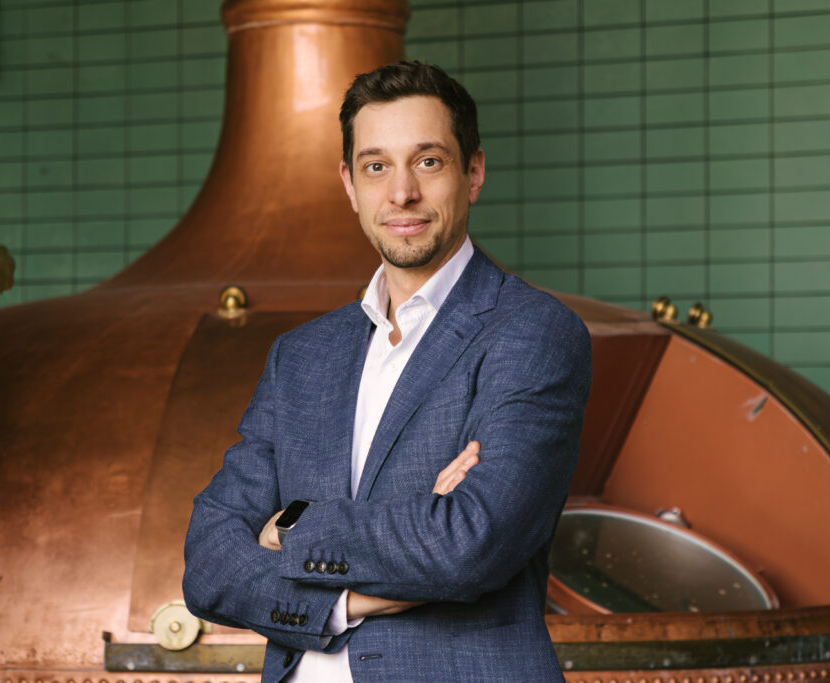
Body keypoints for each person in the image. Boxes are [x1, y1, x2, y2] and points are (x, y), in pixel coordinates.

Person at [183, 61, 592, 682]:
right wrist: (345, 604)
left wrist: (289, 525)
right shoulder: (302, 356)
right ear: (349, 184)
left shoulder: (532, 333)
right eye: (376, 166)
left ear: (473, 172)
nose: (402, 193)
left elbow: (469, 542)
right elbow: (209, 563)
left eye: (428, 161)